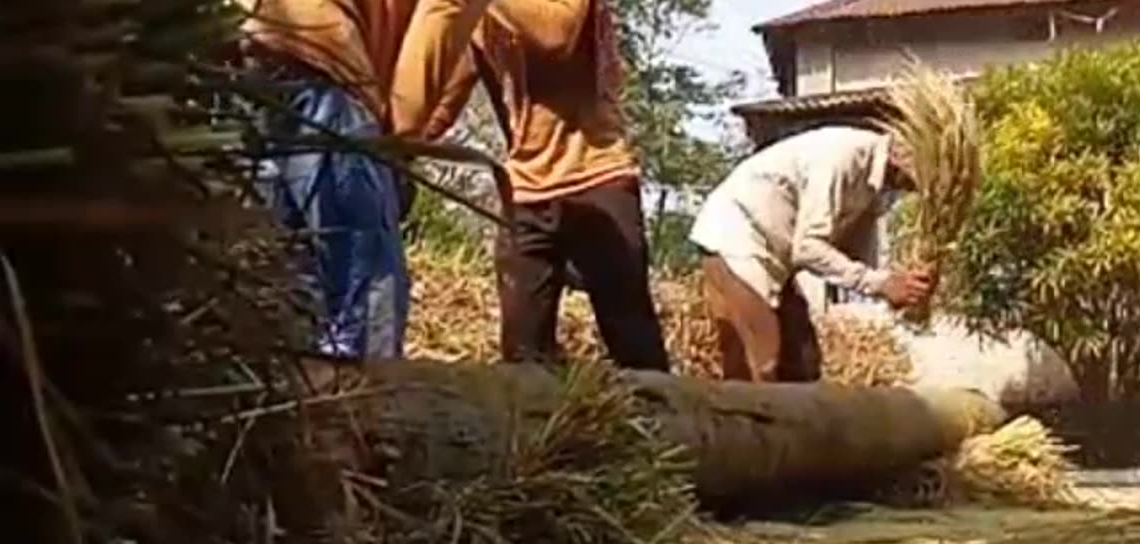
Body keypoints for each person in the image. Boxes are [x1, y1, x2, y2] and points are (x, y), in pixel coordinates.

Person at [398, 0, 671, 371]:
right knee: (522, 353)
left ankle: (662, 424)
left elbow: (555, 35)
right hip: (525, 192)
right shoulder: (483, 17)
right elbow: (445, 100)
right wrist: (395, 142)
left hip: (599, 178)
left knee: (633, 341)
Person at [235, 0, 493, 359]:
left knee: (278, 264)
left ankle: (284, 395)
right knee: (365, 278)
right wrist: (395, 143)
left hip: (245, 51)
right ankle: (368, 401)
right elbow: (442, 16)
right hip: (322, 55)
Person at [688, 125, 934, 383]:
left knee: (802, 364)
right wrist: (881, 284)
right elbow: (808, 249)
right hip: (735, 238)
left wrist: (898, 286)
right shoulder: (841, 158)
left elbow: (854, 254)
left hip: (776, 258)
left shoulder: (880, 185)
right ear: (902, 156)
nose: (914, 189)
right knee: (763, 359)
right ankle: (749, 422)